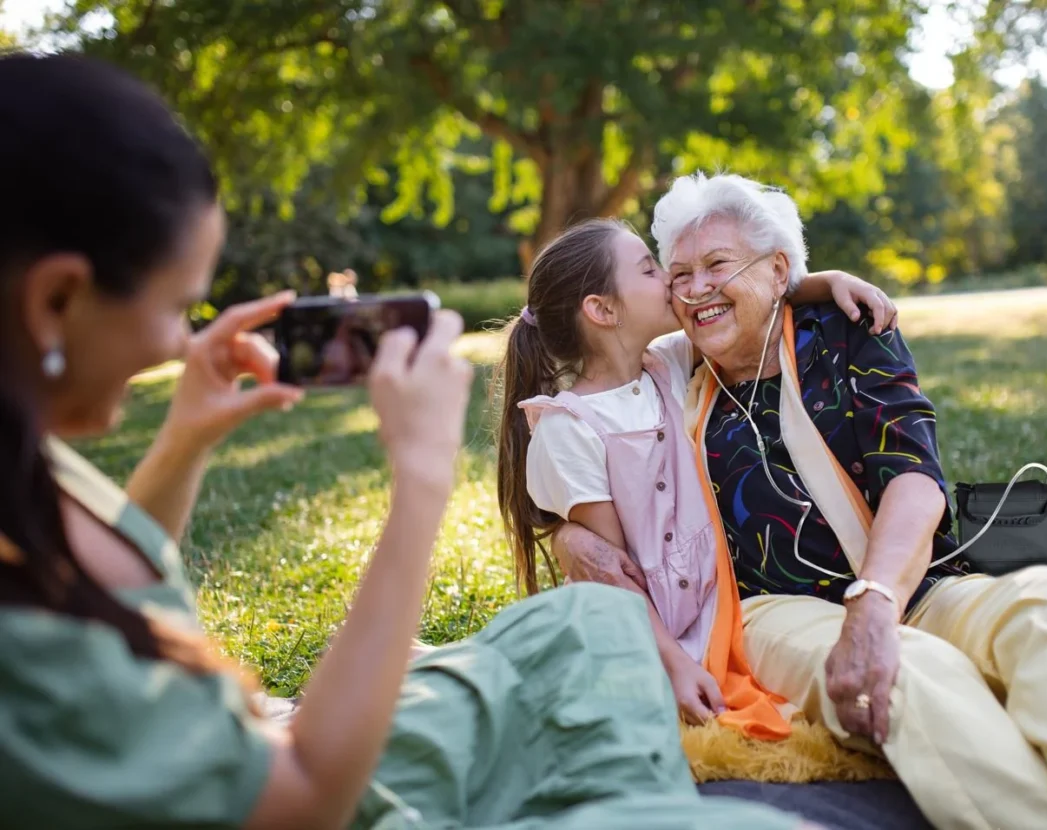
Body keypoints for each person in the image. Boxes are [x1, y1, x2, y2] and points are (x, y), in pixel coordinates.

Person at [0, 53, 818, 830]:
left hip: (298, 742)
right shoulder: (25, 651)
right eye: (180, 307)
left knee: (590, 631)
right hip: (334, 786)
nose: (180, 344)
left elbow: (109, 589)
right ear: (57, 299)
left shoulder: (31, 471)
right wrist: (420, 478)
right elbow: (304, 802)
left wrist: (184, 440)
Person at [553, 173, 1047, 830]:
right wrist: (571, 535)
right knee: (914, 677)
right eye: (677, 275)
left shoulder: (848, 330)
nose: (695, 290)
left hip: (908, 583)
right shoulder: (668, 373)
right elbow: (578, 428)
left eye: (716, 265)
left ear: (777, 273)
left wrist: (876, 598)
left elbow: (914, 476)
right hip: (767, 612)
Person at [494, 218, 897, 732]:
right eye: (648, 269)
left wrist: (828, 280)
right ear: (602, 310)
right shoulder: (568, 429)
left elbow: (746, 298)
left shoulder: (666, 364)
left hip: (716, 611)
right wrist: (676, 665)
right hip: (645, 633)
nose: (670, 278)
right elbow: (615, 578)